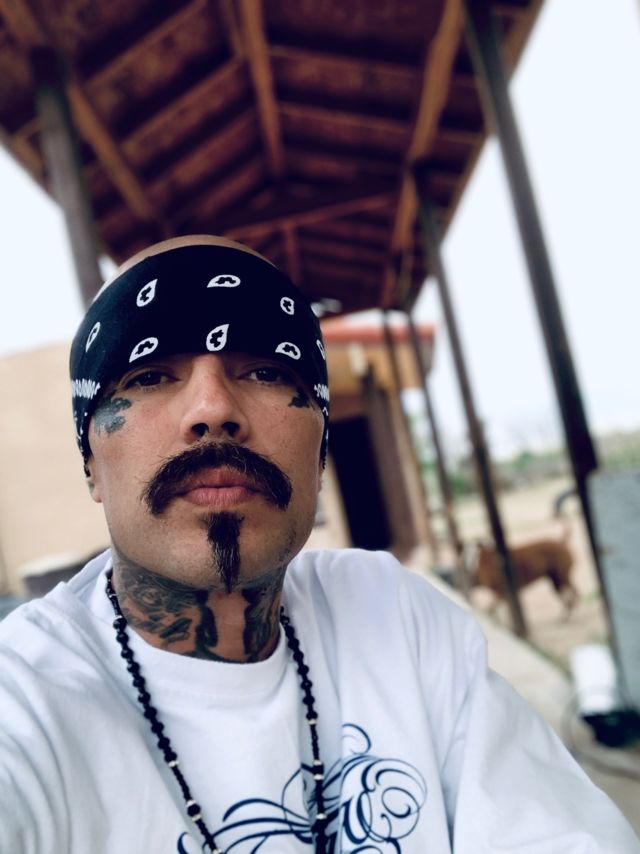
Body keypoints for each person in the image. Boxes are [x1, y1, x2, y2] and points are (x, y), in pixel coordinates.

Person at [0, 235, 637, 854]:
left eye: (265, 369)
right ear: (90, 463)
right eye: (150, 374)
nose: (214, 407)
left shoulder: (398, 619)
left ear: (321, 450)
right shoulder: (26, 701)